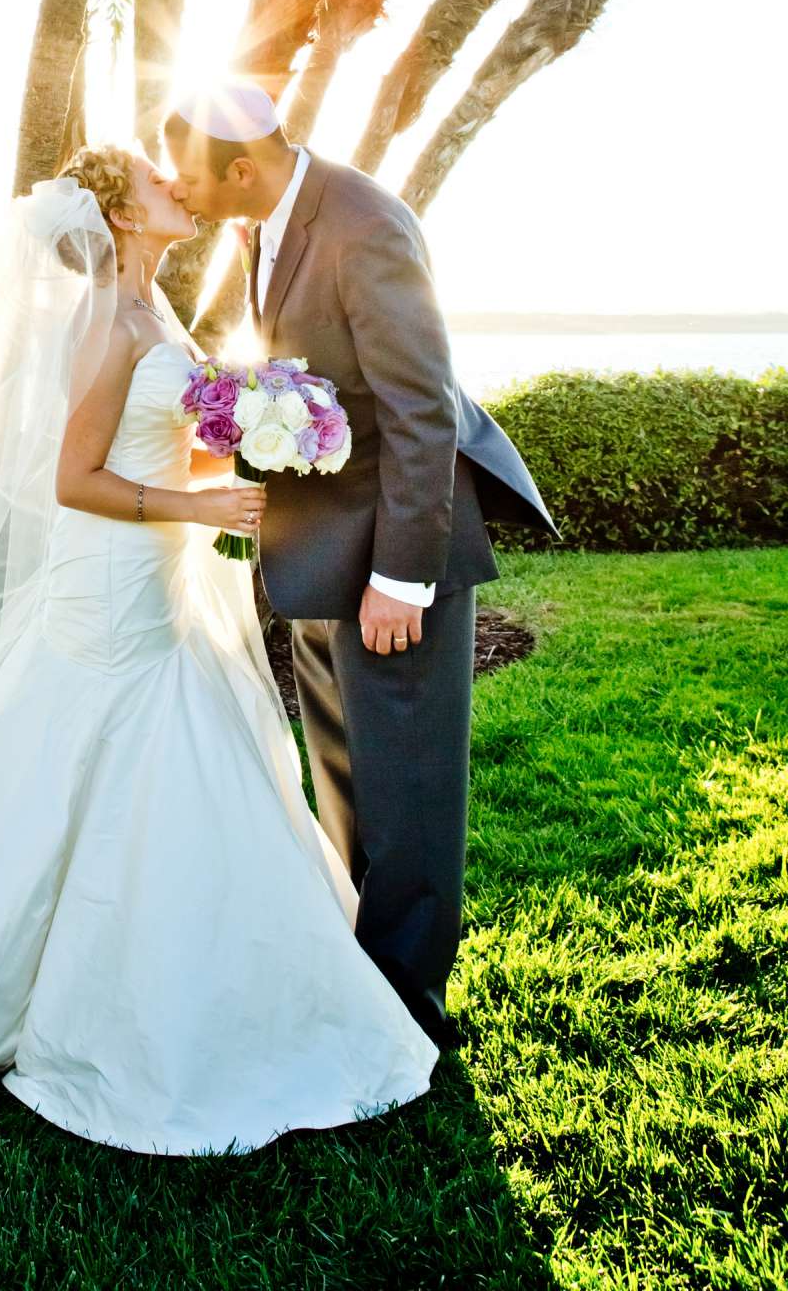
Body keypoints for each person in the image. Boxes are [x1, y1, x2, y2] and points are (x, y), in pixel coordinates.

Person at [0, 147, 437, 1156]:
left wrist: (257, 427)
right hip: (107, 582)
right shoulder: (104, 322)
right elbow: (73, 477)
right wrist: (195, 502)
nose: (176, 188)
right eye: (153, 184)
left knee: (150, 752)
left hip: (158, 577)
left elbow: (164, 435)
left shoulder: (155, 313)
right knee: (80, 747)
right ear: (115, 215)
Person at [164, 80, 555, 1047]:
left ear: (243, 167)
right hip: (321, 538)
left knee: (410, 781)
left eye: (192, 176)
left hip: (393, 544)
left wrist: (402, 578)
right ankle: (364, 968)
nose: (185, 192)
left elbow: (422, 407)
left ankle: (410, 1009)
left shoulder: (364, 221)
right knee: (345, 767)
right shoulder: (262, 222)